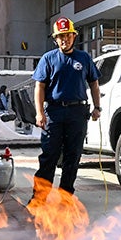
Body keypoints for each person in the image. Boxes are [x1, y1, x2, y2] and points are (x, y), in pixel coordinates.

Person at [31, 17, 101, 200]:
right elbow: (39, 87)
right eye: (61, 36)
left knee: (73, 156)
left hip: (77, 113)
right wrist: (39, 113)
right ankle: (39, 198)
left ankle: (66, 196)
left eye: (68, 35)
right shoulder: (48, 58)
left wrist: (97, 107)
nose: (65, 39)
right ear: (55, 39)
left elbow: (94, 83)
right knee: (49, 156)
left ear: (74, 36)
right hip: (53, 113)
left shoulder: (84, 58)